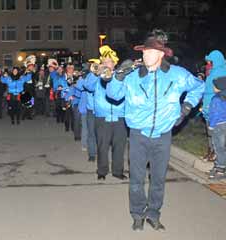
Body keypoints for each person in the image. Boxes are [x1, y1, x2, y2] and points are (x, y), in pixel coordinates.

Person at [106, 29, 204, 231]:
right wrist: (119, 76)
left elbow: (198, 87)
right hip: (138, 136)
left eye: (149, 52)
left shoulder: (177, 75)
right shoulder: (133, 76)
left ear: (161, 54)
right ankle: (137, 214)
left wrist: (186, 108)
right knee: (136, 180)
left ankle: (153, 214)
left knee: (158, 180)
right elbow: (113, 95)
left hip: (163, 136)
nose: (144, 55)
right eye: (143, 52)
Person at [83, 45, 127, 181]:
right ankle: (102, 171)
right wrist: (95, 73)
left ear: (114, 63)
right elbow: (87, 86)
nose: (107, 64)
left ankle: (117, 171)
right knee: (102, 146)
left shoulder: (121, 76)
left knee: (119, 146)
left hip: (120, 116)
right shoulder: (96, 76)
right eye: (104, 61)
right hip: (102, 117)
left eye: (110, 61)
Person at [202, 50, 226, 161]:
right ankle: (211, 151)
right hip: (208, 106)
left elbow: (218, 91)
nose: (208, 64)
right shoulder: (212, 71)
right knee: (209, 132)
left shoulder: (221, 72)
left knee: (217, 134)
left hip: (217, 108)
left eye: (210, 62)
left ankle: (217, 156)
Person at [208, 76, 226, 179]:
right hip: (225, 124)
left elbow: (215, 114)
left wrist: (211, 126)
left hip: (218, 126)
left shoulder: (216, 99)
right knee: (222, 146)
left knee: (218, 146)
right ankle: (218, 165)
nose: (213, 88)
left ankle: (220, 169)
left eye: (214, 86)